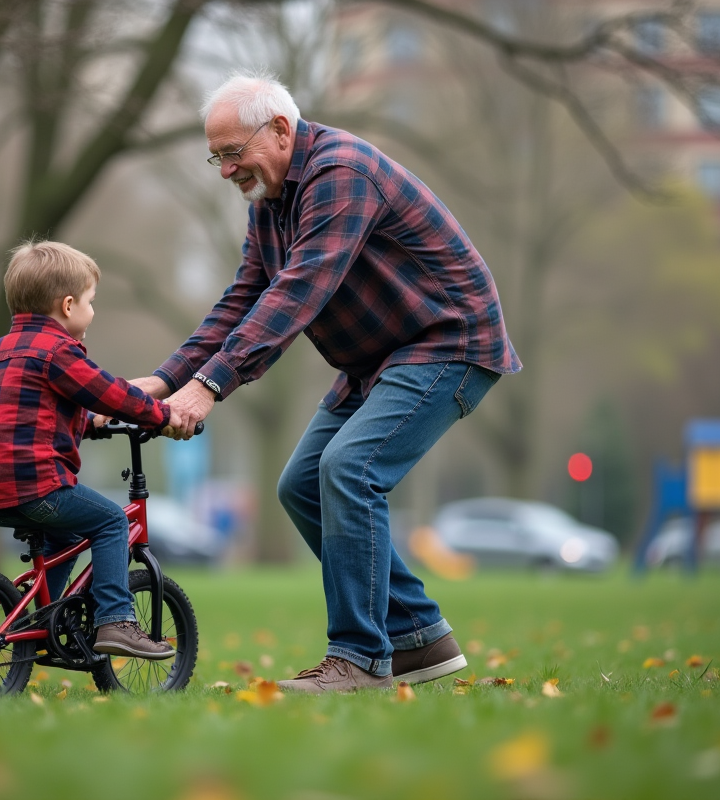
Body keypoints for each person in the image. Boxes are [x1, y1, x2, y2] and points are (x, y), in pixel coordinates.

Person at [130, 74, 521, 692]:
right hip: (381, 359)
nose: (226, 170)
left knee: (349, 469)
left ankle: (360, 659)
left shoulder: (342, 174)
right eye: (216, 157)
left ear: (281, 130)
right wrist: (165, 379)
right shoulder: (269, 204)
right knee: (302, 485)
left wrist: (209, 386)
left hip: (448, 342)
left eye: (233, 152)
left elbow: (298, 291)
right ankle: (419, 636)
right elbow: (243, 300)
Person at [0, 240, 181, 660]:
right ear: (67, 305)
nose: (92, 311)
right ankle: (116, 621)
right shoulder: (57, 351)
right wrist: (162, 414)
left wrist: (88, 423)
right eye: (90, 302)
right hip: (35, 485)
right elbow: (110, 393)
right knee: (111, 520)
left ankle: (41, 620)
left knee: (63, 535)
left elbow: (31, 414)